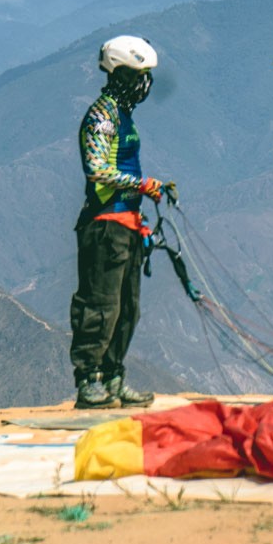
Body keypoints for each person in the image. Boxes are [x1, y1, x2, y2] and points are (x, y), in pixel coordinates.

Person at [68, 35, 174, 410]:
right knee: (100, 304)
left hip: (129, 223)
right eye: (139, 75)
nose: (145, 84)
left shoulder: (123, 116)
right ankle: (89, 380)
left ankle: (114, 377)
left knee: (128, 307)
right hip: (104, 225)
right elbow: (97, 170)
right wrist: (142, 184)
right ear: (121, 73)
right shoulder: (101, 116)